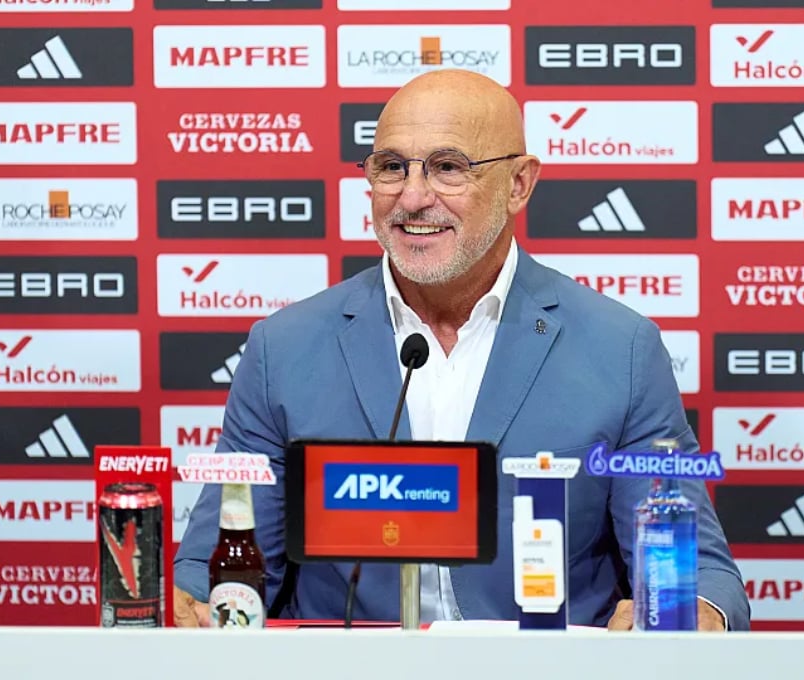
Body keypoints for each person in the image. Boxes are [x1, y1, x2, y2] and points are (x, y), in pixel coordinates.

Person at [172, 68, 750, 631]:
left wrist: (693, 609)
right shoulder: (283, 348)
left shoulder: (621, 348)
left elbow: (699, 571)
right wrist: (189, 607)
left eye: (448, 168)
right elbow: (219, 562)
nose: (412, 197)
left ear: (518, 184)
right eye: (391, 167)